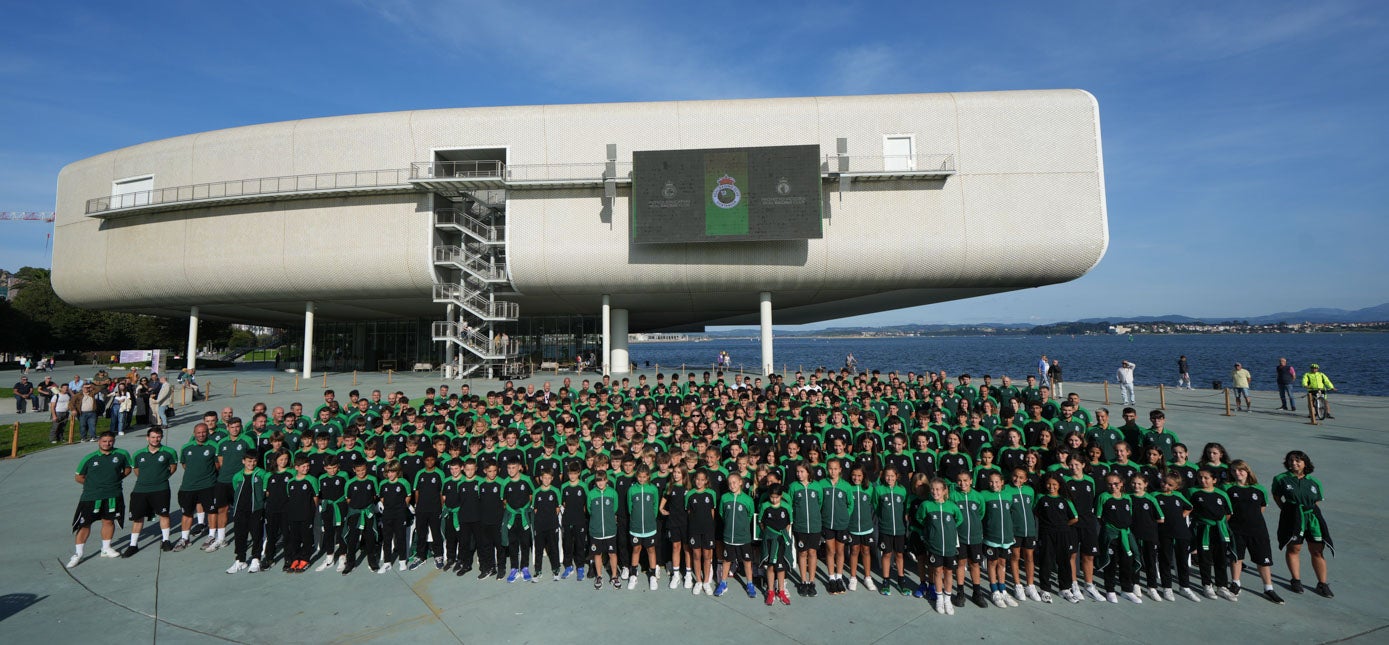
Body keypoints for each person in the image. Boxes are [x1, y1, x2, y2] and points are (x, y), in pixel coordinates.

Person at [1272, 450, 1333, 598]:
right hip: (1293, 518)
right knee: (1294, 548)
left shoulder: (1314, 482)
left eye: (1297, 460)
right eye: (1291, 461)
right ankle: (1296, 580)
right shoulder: (1281, 479)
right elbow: (1277, 496)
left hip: (1312, 518)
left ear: (1305, 463)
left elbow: (1316, 500)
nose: (1294, 463)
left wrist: (1306, 510)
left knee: (1317, 551)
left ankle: (1322, 584)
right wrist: (1289, 511)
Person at [68, 431, 132, 567]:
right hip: (91, 497)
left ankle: (106, 548)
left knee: (108, 521)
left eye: (110, 441)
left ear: (114, 441)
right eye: (104, 441)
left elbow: (127, 469)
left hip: (112, 495)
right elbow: (79, 477)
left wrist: (115, 481)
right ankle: (78, 553)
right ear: (99, 442)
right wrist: (94, 486)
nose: (107, 443)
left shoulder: (122, 454)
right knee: (84, 525)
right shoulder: (89, 458)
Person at [1226, 460, 1284, 604]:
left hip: (1257, 530)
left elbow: (1261, 509)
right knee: (1236, 558)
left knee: (1263, 560)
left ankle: (1268, 588)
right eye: (1233, 471)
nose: (1237, 473)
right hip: (1236, 529)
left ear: (1247, 471)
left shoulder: (1259, 489)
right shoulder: (1227, 488)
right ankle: (1235, 583)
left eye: (1240, 470)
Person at [124, 427, 177, 557]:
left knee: (164, 515)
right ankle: (133, 545)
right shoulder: (138, 454)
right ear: (147, 438)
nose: (155, 439)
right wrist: (146, 480)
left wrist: (160, 478)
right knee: (138, 517)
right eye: (153, 437)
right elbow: (136, 471)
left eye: (158, 437)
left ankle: (166, 540)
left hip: (161, 489)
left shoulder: (169, 452)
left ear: (161, 437)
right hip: (140, 490)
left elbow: (172, 468)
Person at [172, 423, 220, 552]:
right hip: (188, 486)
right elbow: (184, 464)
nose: (201, 435)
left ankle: (211, 535)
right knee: (187, 513)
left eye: (204, 432)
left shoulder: (214, 446)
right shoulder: (186, 447)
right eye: (198, 432)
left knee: (211, 511)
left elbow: (217, 465)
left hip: (208, 485)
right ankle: (185, 538)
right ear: (194, 433)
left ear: (207, 433)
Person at [225, 452, 268, 573]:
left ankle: (256, 559)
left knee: (256, 535)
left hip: (256, 510)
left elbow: (265, 491)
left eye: (254, 461)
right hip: (240, 511)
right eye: (249, 461)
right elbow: (235, 489)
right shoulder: (237, 476)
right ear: (243, 461)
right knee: (240, 536)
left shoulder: (261, 474)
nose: (251, 464)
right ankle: (240, 560)